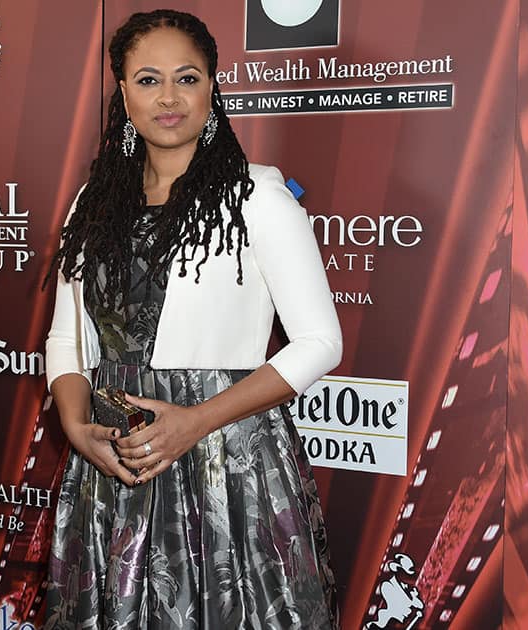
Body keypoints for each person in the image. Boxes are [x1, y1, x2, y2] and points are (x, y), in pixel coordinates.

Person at [43, 9, 341, 629]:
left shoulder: (257, 196)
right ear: (122, 92)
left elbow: (319, 343)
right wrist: (76, 426)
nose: (169, 97)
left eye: (188, 77)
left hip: (222, 464)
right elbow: (67, 338)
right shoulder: (93, 203)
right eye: (148, 80)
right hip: (117, 461)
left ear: (212, 86)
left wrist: (195, 422)